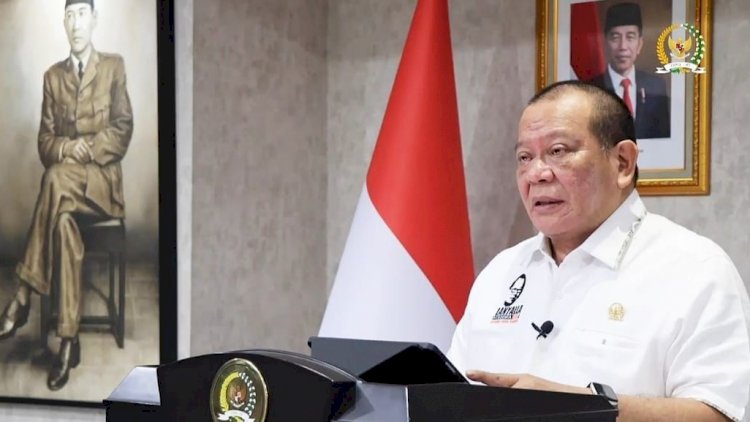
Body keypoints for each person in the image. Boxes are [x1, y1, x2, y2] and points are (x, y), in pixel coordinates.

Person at [447, 81, 750, 421]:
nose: (536, 174)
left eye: (558, 151)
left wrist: (583, 408)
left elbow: (720, 414)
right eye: (524, 157)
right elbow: (452, 393)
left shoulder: (696, 269)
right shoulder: (501, 272)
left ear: (623, 163)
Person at [0, 0, 132, 390]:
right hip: (65, 194)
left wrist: (86, 149)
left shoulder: (113, 67)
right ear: (63, 23)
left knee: (54, 179)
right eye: (69, 16)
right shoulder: (52, 77)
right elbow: (45, 143)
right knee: (61, 224)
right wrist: (64, 147)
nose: (76, 24)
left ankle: (22, 294)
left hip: (102, 188)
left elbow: (123, 128)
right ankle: (68, 343)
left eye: (82, 15)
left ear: (94, 20)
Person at [588, 2, 670, 139]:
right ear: (605, 43)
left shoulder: (656, 86)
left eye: (630, 37)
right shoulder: (590, 89)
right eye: (615, 37)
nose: (623, 46)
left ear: (640, 44)